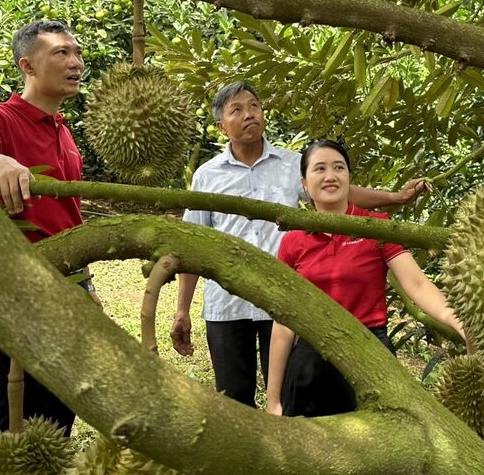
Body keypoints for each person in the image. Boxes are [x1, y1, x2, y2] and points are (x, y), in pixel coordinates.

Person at [170, 82, 431, 408]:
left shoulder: (293, 164)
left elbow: (340, 189)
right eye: (236, 110)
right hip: (227, 303)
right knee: (233, 400)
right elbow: (194, 244)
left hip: (284, 301)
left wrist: (396, 198)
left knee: (283, 395)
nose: (249, 114)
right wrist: (182, 309)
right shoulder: (207, 177)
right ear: (222, 126)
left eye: (254, 106)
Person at [0, 19, 95, 435]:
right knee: (23, 412)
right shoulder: (0, 117)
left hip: (71, 284)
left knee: (61, 411)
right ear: (28, 66)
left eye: (77, 53)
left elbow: (69, 215)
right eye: (61, 53)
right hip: (20, 289)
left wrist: (87, 287)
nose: (76, 63)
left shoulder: (64, 131)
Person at [265, 139, 464, 416]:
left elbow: (417, 285)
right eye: (319, 169)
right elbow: (284, 322)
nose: (330, 176)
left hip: (371, 352)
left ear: (349, 178)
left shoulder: (376, 227)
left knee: (388, 443)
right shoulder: (293, 240)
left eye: (339, 168)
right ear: (304, 184)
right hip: (312, 358)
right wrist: (273, 397)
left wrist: (460, 322)